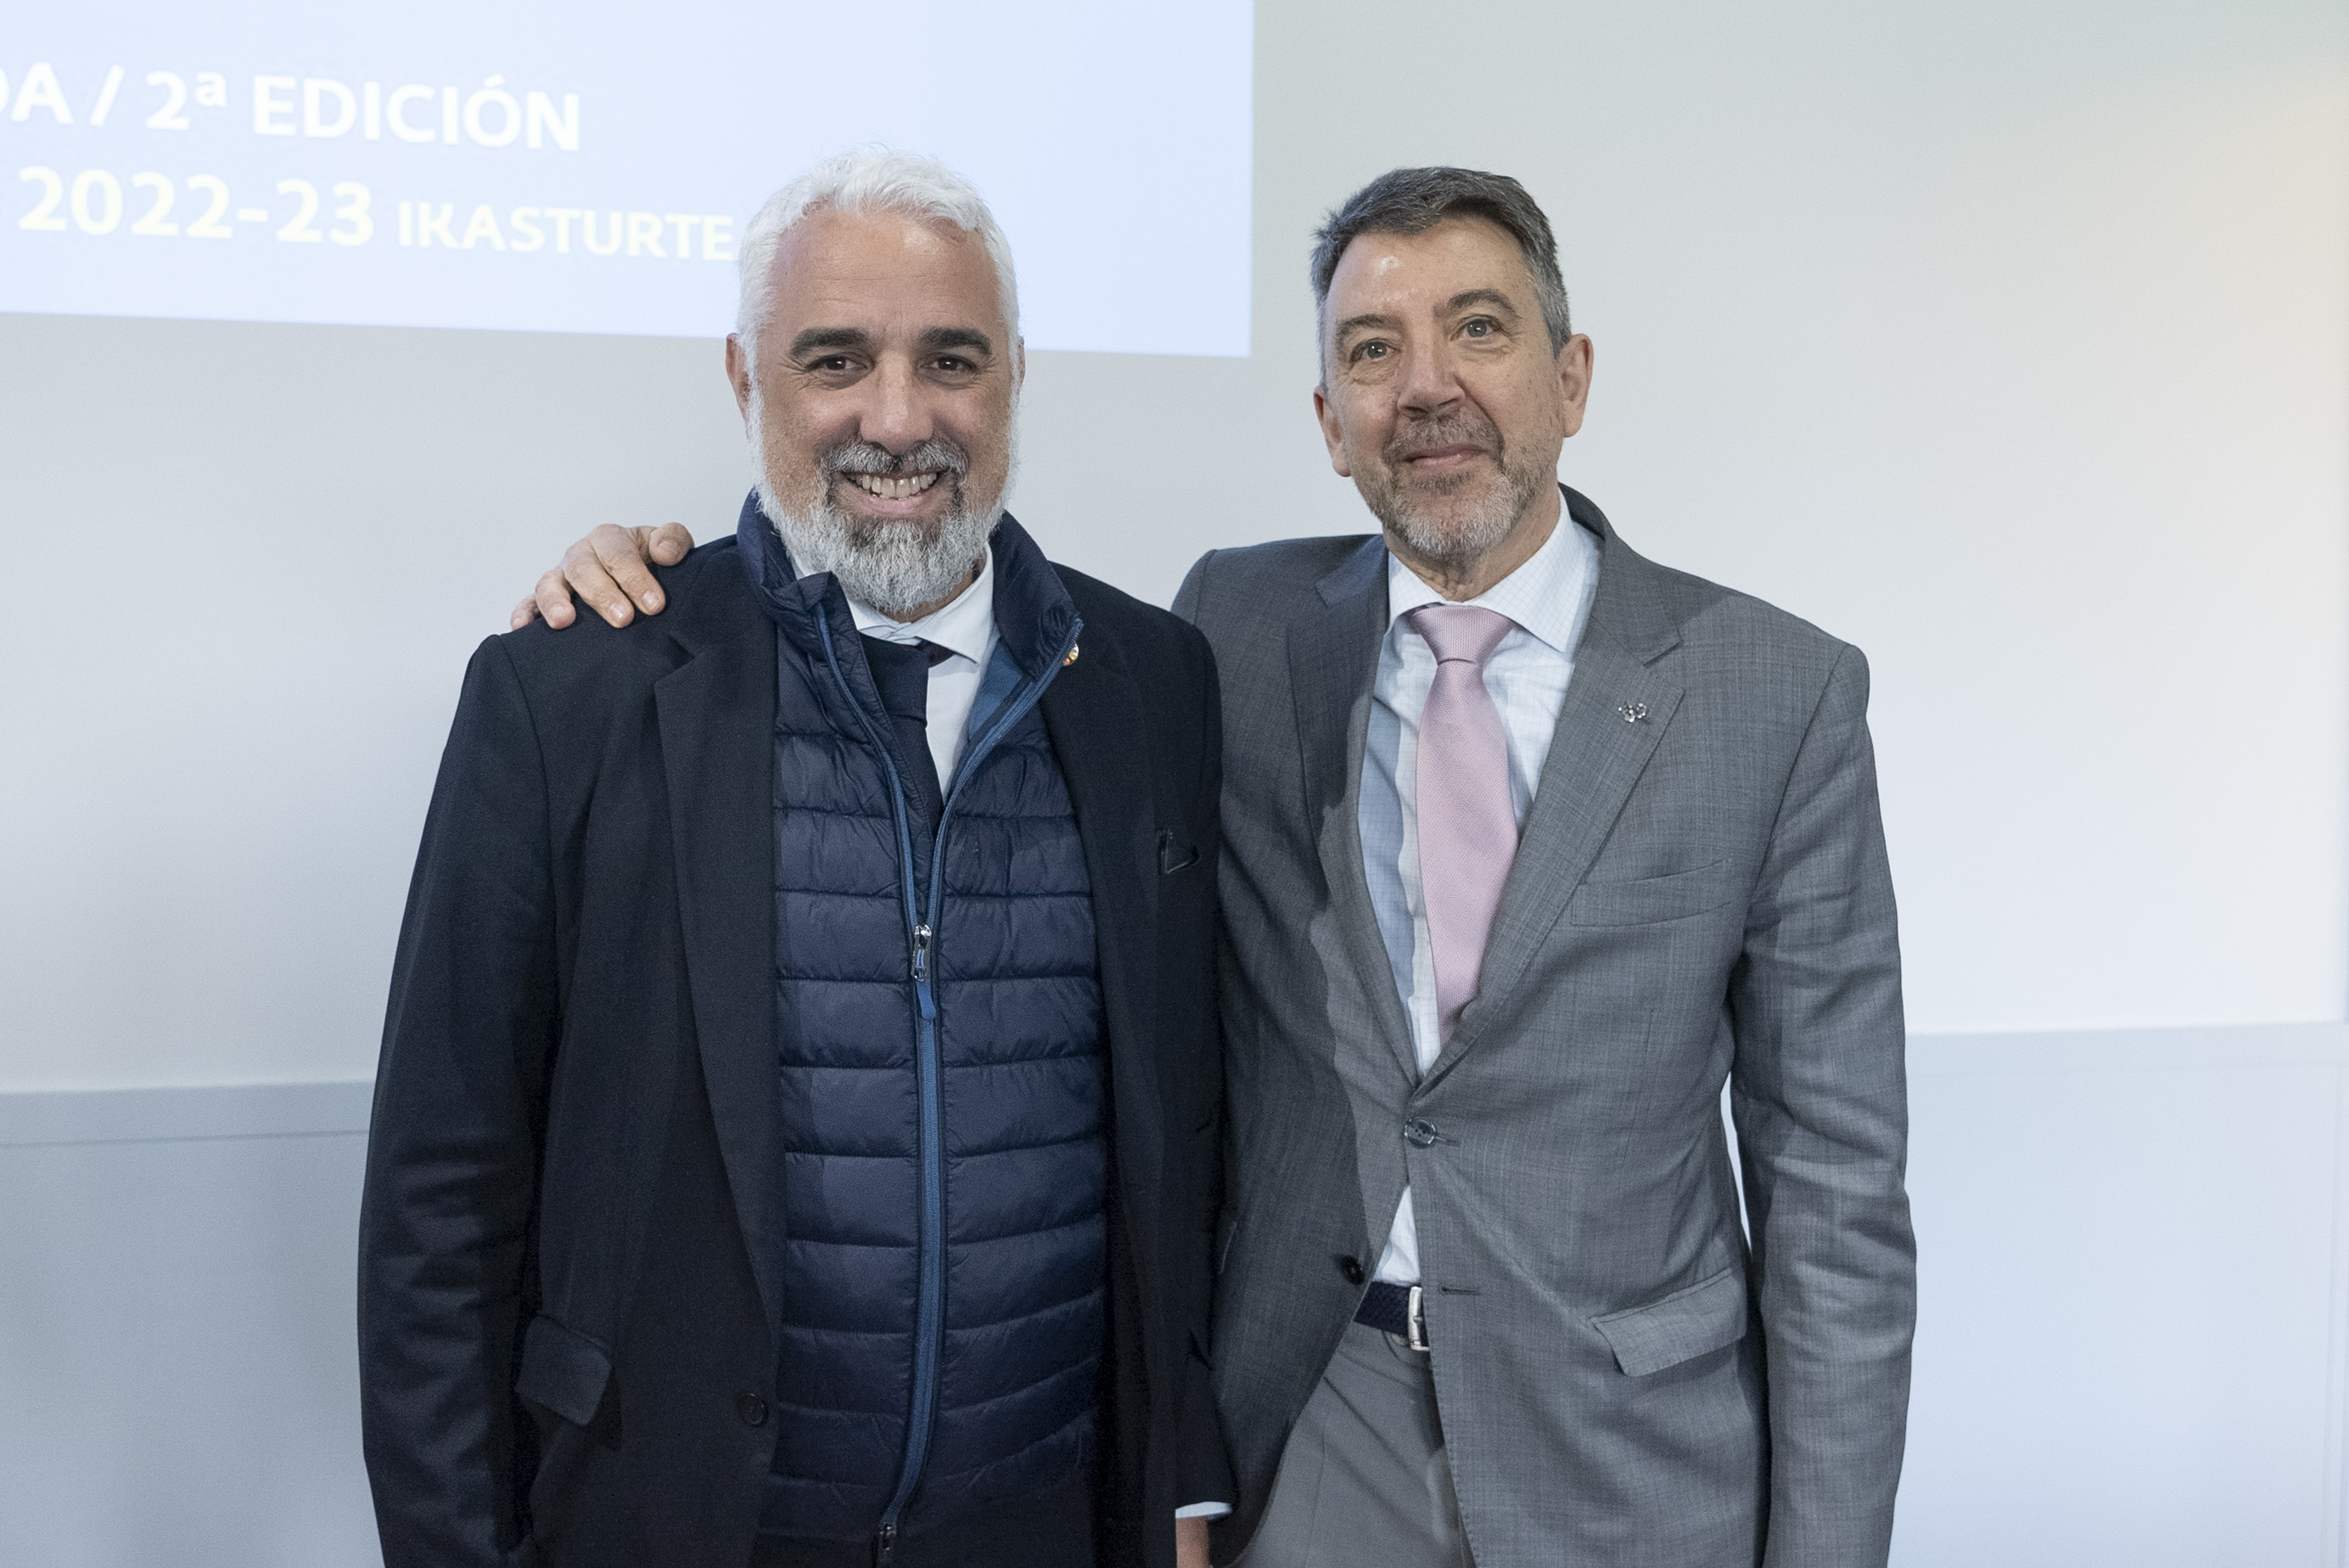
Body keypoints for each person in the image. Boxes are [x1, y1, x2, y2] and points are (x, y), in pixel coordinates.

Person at [520, 166, 1916, 1568]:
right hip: (1308, 1432)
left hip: (1633, 1453)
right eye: (1371, 350)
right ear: (1328, 423)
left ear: (1573, 376)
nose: (1427, 388)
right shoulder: (1228, 636)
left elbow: (1836, 1194)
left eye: (1480, 329)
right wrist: (653, 570)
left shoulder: (1775, 693)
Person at [359, 148, 1230, 1568]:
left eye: (952, 359)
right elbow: (440, 1200)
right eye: (835, 360)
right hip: (681, 1521)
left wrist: (1182, 1486)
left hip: (1038, 1523)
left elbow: (1187, 1140)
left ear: (1015, 376)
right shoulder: (571, 692)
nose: (897, 417)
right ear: (743, 377)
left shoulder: (1152, 682)